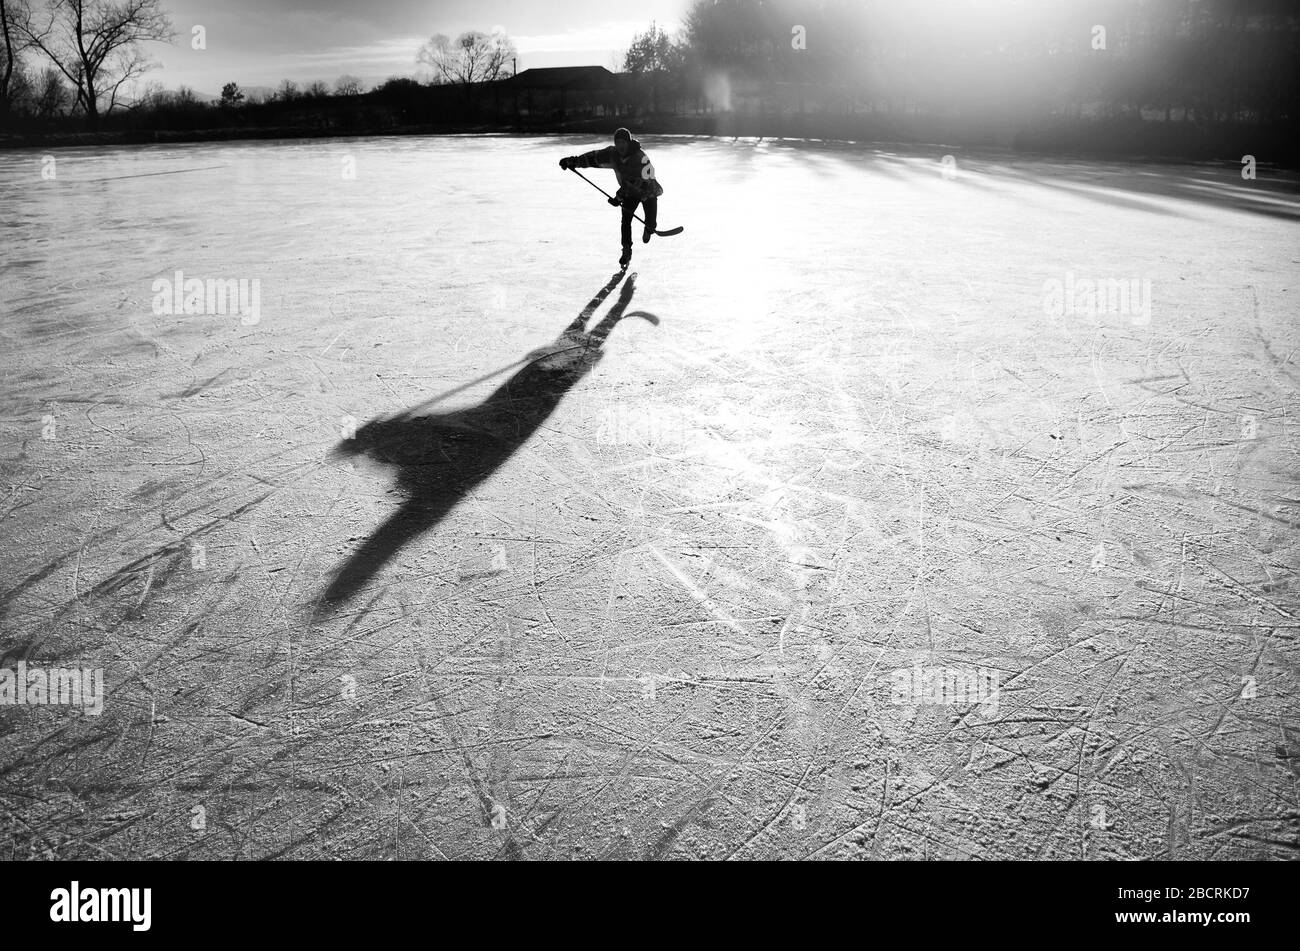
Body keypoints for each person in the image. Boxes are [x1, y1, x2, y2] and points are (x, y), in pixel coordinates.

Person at [559, 127, 664, 268]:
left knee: (651, 224)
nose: (620, 145)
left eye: (623, 142)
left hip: (648, 190)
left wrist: (619, 196)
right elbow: (593, 158)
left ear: (629, 142)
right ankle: (626, 250)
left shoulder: (639, 157)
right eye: (618, 142)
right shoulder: (612, 153)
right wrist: (573, 161)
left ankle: (649, 228)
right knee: (626, 220)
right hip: (629, 192)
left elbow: (638, 182)